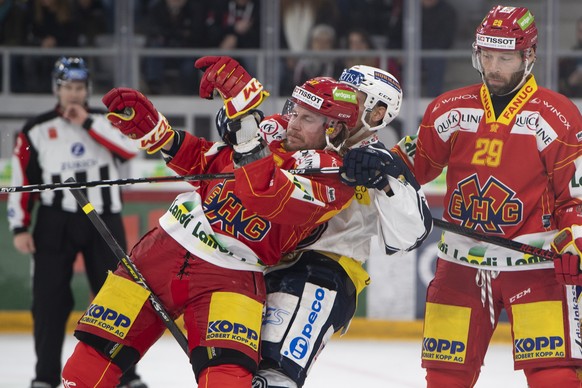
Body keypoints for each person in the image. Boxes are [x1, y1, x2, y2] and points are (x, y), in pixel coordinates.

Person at [60, 56, 357, 388]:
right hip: (164, 249)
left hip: (233, 274)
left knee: (227, 382)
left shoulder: (336, 178)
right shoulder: (271, 131)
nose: (293, 124)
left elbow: (266, 193)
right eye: (295, 111)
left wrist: (244, 121)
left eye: (307, 119)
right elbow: (206, 163)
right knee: (83, 370)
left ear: (334, 128)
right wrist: (159, 134)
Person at [389, 6, 582, 387]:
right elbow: (415, 166)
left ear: (529, 57)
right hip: (459, 264)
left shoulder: (557, 116)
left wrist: (575, 241)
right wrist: (378, 162)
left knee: (555, 377)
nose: (493, 67)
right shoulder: (449, 108)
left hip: (535, 265)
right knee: (445, 378)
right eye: (486, 56)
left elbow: (574, 198)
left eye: (505, 58)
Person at [252, 65, 433, 388]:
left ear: (377, 114)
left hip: (320, 276)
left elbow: (410, 235)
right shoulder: (299, 132)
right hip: (264, 266)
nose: (341, 101)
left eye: (355, 98)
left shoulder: (379, 160)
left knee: (274, 375)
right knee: (236, 367)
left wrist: (384, 182)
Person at [6, 57, 145, 388]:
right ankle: (45, 377)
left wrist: (87, 123)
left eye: (79, 88)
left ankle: (127, 375)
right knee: (49, 301)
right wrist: (20, 226)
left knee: (116, 299)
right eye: (67, 87)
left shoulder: (107, 121)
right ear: (57, 89)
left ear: (88, 91)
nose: (73, 94)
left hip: (103, 219)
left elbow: (130, 152)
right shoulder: (34, 129)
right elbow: (22, 179)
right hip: (55, 221)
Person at [558, 17, 582, 97]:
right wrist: (570, 82)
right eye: (580, 31)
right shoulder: (567, 59)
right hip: (573, 101)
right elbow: (555, 87)